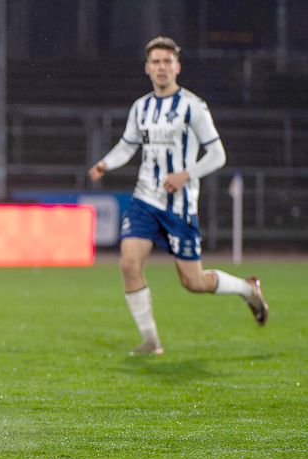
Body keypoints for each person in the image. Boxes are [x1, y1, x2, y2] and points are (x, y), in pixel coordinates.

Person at [88, 36, 268, 356]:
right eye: (156, 61)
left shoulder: (192, 106)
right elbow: (129, 144)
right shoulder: (140, 107)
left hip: (180, 205)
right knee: (129, 264)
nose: (161, 67)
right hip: (145, 199)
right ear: (147, 68)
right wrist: (106, 162)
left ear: (177, 67)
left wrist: (187, 174)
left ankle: (247, 290)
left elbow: (218, 155)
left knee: (193, 282)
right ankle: (151, 340)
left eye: (167, 62)